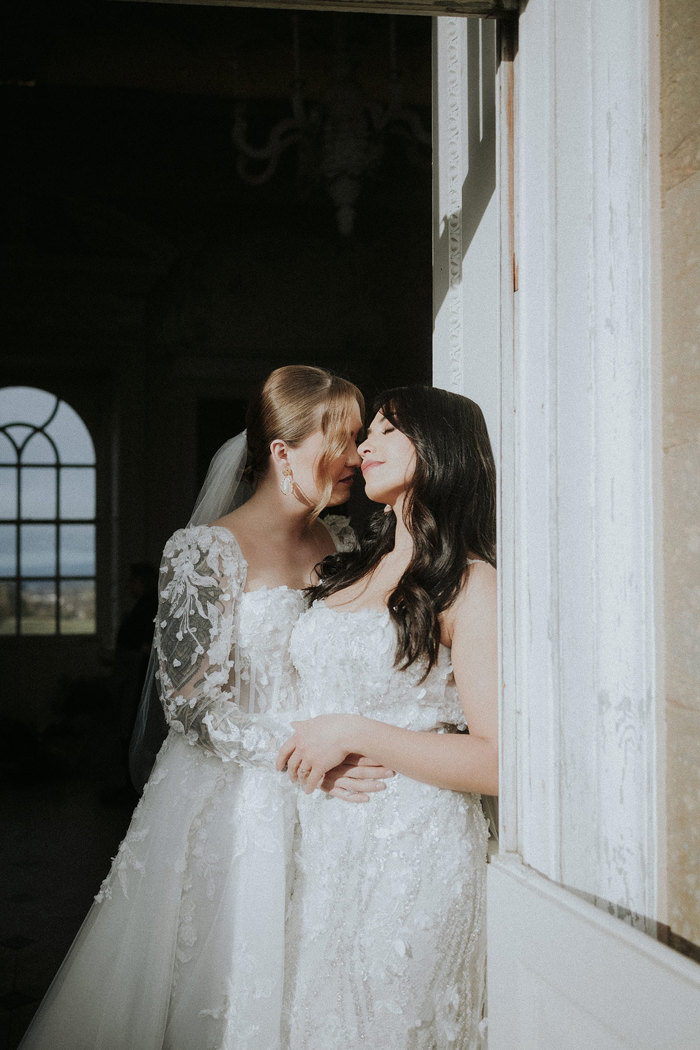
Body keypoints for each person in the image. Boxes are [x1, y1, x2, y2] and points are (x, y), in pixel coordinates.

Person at [19, 365, 393, 1050]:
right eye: (337, 441)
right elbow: (190, 707)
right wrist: (303, 750)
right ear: (281, 452)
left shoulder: (345, 543)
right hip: (236, 798)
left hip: (333, 796)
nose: (353, 458)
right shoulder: (203, 551)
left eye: (358, 438)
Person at [278, 385, 498, 1049]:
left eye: (385, 432)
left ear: (437, 449)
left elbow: (498, 761)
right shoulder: (345, 570)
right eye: (364, 433)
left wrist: (355, 733)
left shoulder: (468, 583)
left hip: (412, 853)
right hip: (320, 843)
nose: (362, 447)